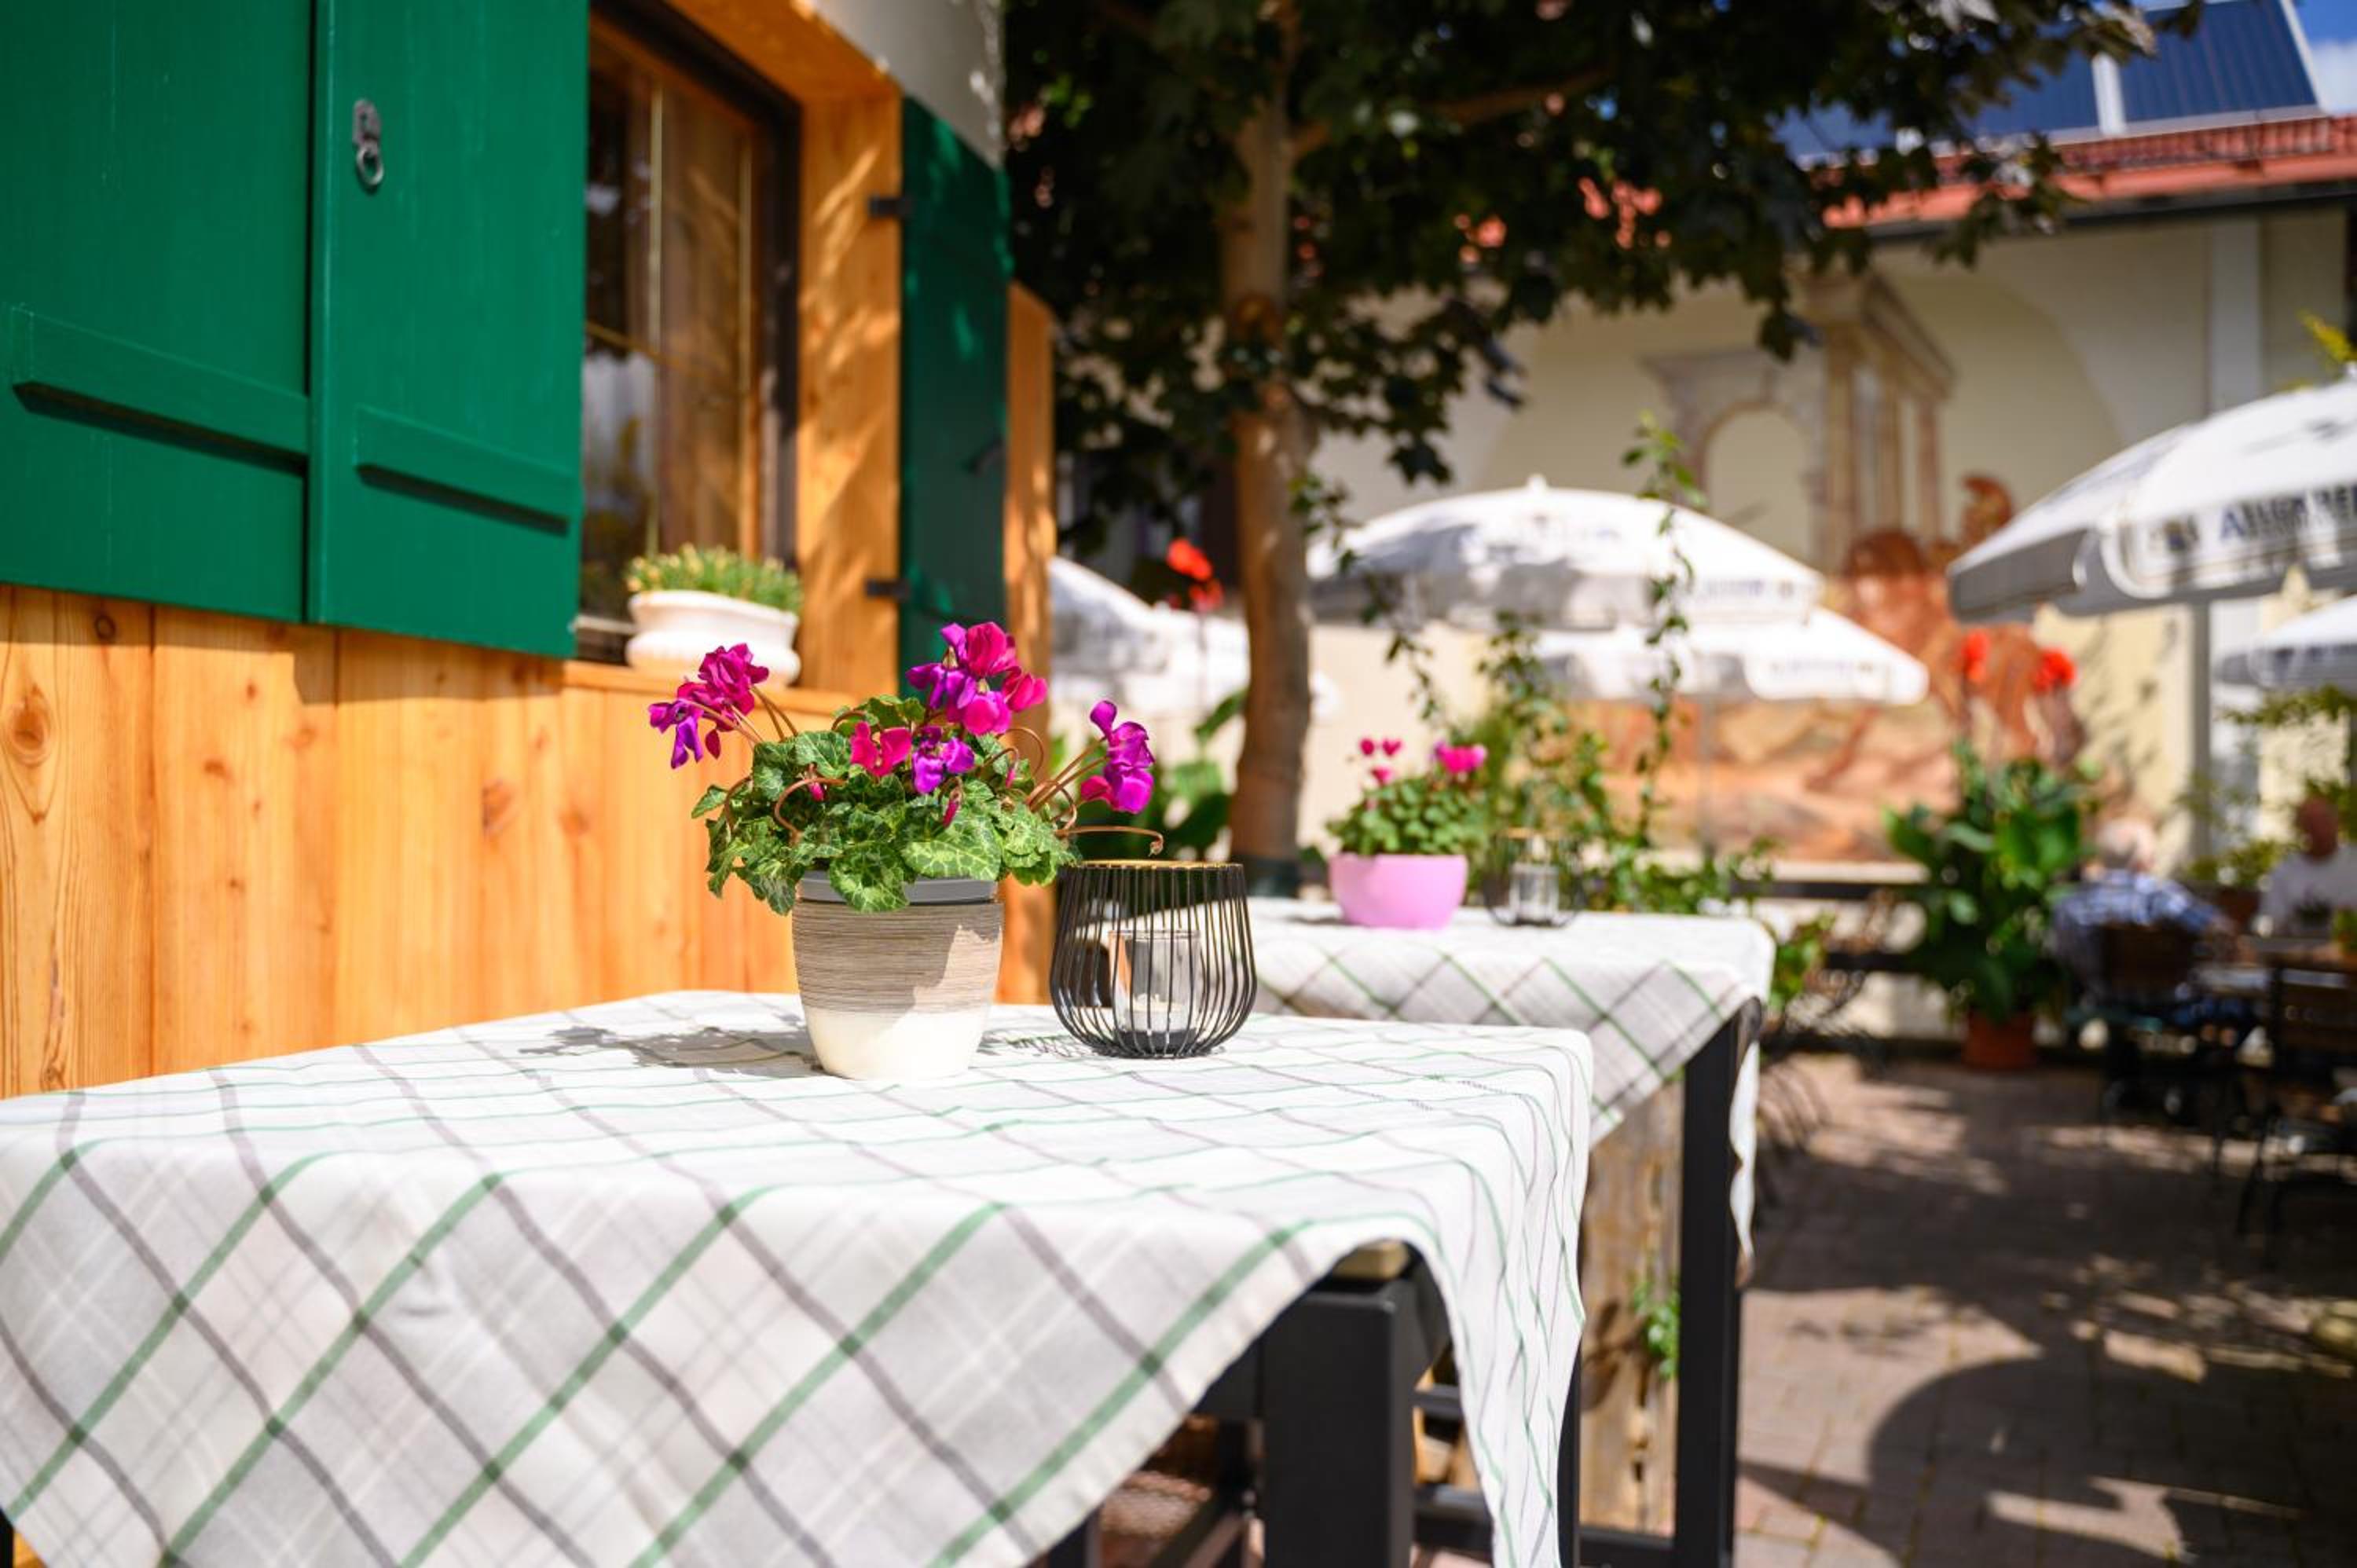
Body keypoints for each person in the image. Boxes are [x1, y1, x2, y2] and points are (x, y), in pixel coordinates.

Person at [2051, 819, 2229, 992]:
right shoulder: (2159, 896)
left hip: (2097, 1000)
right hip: (2169, 1001)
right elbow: (2218, 927)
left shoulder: (2070, 903)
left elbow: (2062, 956)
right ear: (2143, 861)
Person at [2260, 792, 2357, 938]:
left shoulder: (2353, 862)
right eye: (2311, 823)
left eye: (2324, 821)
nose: (2319, 829)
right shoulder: (2285, 870)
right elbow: (2276, 923)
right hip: (2297, 948)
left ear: (2338, 822)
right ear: (2301, 828)